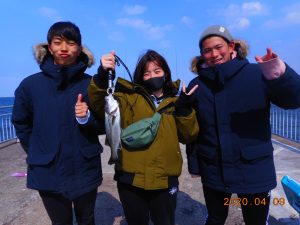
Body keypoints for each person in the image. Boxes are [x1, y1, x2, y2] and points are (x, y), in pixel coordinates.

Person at [186, 24, 300, 225]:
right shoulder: (197, 85)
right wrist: (195, 165)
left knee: (255, 221)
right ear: (201, 54)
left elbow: (294, 100)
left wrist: (277, 73)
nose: (214, 54)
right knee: (215, 218)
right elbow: (194, 131)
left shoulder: (257, 74)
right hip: (213, 170)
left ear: (231, 47)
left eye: (218, 47)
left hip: (254, 169)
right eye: (207, 50)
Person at [88, 49, 199, 225]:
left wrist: (185, 110)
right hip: (130, 180)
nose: (152, 76)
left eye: (157, 71)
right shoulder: (127, 98)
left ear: (166, 73)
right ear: (140, 77)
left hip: (165, 181)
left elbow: (189, 135)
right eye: (146, 73)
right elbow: (99, 103)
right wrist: (102, 76)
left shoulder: (177, 101)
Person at [12, 21, 104, 225]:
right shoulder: (30, 85)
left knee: (87, 219)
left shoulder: (91, 85)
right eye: (58, 42)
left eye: (71, 43)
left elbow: (104, 125)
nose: (64, 48)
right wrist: (38, 150)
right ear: (49, 47)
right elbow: (21, 123)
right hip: (47, 169)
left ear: (80, 48)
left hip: (84, 166)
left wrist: (86, 118)